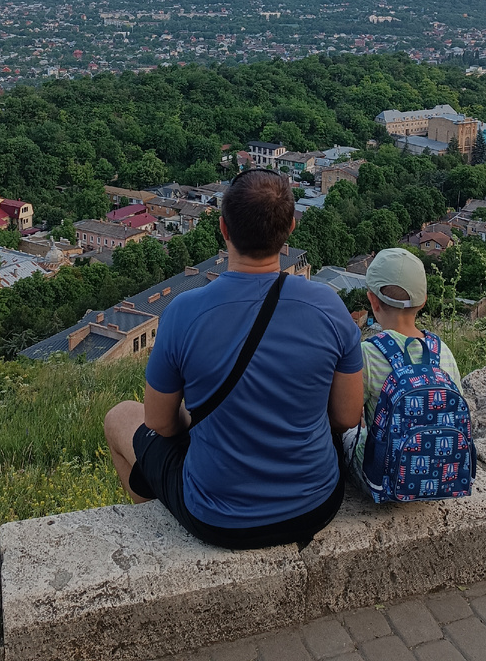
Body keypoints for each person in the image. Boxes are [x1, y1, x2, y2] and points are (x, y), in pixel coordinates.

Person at [104, 168, 364, 549]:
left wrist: (201, 421)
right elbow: (346, 418)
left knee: (120, 417)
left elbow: (159, 423)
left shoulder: (184, 312)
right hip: (317, 504)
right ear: (291, 227)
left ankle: (157, 534)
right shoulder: (328, 305)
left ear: (223, 230)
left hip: (220, 519)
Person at [342, 247, 465, 498]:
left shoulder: (368, 352)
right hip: (441, 475)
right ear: (423, 302)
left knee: (342, 431)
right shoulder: (443, 351)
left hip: (382, 481)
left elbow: (349, 416)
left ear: (372, 300)